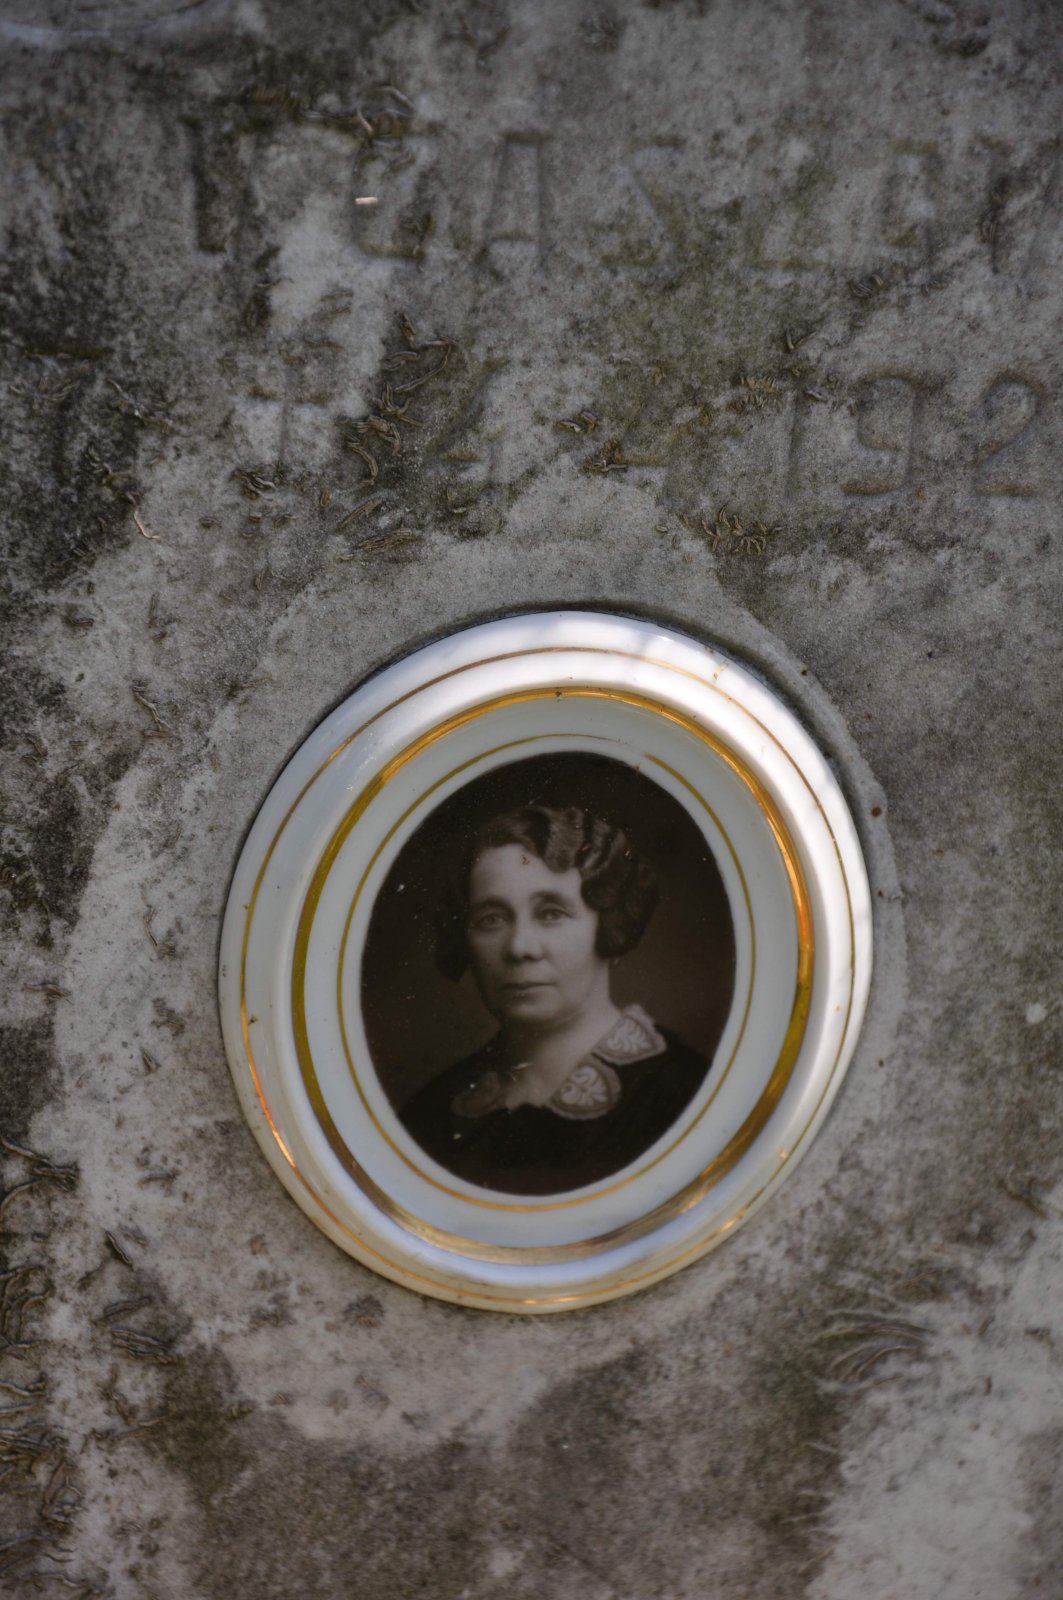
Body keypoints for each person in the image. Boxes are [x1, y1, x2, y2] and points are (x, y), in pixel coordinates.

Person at [401, 804, 710, 1195]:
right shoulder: (431, 1112)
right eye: (491, 919)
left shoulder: (686, 1095)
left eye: (551, 913)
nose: (519, 947)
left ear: (609, 926)